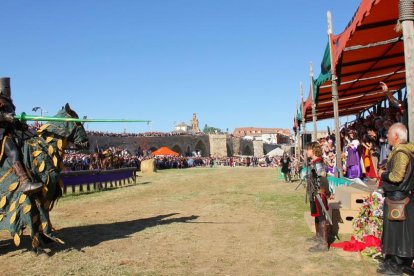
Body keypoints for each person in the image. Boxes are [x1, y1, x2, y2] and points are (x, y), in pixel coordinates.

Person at [377, 123, 414, 275]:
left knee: (398, 235)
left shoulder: (401, 153)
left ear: (396, 136)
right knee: (395, 233)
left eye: (389, 134)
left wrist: (382, 174)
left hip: (399, 200)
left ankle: (396, 266)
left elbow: (397, 176)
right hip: (396, 198)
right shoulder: (401, 152)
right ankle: (392, 262)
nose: (387, 137)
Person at [0, 77, 43, 194]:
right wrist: (4, 117)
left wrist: (21, 125)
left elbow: (14, 120)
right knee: (13, 152)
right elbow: (5, 118)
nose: (8, 90)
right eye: (6, 87)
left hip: (12, 133)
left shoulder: (9, 102)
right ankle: (24, 182)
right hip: (2, 135)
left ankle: (34, 177)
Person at [306, 142, 331, 252]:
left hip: (319, 192)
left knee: (321, 217)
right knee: (317, 215)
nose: (307, 151)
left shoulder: (318, 162)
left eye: (308, 149)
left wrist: (323, 191)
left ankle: (323, 243)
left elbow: (323, 177)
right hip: (314, 191)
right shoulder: (314, 162)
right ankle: (318, 237)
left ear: (313, 150)